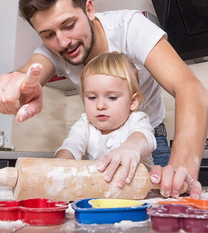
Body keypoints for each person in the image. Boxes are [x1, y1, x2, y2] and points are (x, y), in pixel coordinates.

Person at [0, 0, 208, 199]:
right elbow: (32, 69)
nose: (63, 42)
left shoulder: (130, 27)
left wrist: (180, 169)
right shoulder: (53, 49)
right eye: (48, 35)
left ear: (89, 9)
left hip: (148, 143)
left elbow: (190, 89)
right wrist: (15, 81)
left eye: (69, 25)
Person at [55, 52, 156, 188]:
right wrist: (58, 166)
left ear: (132, 102)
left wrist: (131, 148)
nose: (100, 105)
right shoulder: (85, 125)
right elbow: (71, 146)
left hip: (140, 199)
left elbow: (143, 138)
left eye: (112, 98)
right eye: (92, 97)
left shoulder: (136, 120)